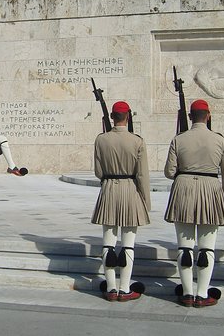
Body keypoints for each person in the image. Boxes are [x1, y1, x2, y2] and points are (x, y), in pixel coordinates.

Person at [164, 99, 224, 308]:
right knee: (207, 249)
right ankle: (202, 294)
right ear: (208, 115)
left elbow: (169, 172)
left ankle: (186, 293)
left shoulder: (179, 139)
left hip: (184, 189)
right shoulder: (220, 140)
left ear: (190, 117)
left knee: (184, 247)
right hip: (211, 190)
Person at [92, 101, 150, 302]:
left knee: (108, 244)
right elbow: (142, 175)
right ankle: (124, 289)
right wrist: (145, 202)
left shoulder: (101, 140)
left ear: (111, 117)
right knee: (128, 245)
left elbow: (98, 172)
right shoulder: (137, 141)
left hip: (108, 189)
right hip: (130, 190)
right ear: (128, 117)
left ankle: (110, 287)